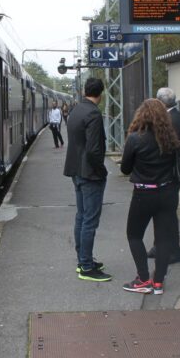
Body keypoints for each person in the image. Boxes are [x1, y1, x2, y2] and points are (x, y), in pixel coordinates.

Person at [120, 98, 180, 295]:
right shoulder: (171, 139)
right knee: (164, 239)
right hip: (167, 193)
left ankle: (143, 279)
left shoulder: (135, 139)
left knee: (134, 235)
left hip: (143, 194)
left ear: (142, 115)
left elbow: (125, 168)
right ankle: (158, 282)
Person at [63, 78, 112, 281]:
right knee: (90, 220)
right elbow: (94, 150)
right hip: (90, 174)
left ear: (85, 91)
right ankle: (86, 267)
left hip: (76, 171)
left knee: (81, 216)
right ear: (101, 94)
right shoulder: (93, 113)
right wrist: (102, 170)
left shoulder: (75, 110)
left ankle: (83, 260)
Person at [146, 87, 180, 264]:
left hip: (168, 174)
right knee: (164, 214)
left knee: (167, 215)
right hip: (169, 174)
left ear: (161, 102)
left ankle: (172, 251)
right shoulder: (176, 117)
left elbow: (168, 149)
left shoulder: (171, 121)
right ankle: (161, 246)